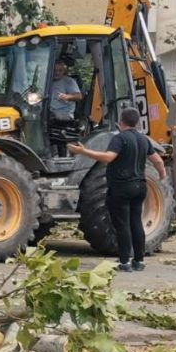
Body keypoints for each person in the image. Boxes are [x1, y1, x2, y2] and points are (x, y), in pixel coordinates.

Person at [68, 108, 168, 272]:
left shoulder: (120, 138)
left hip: (122, 187)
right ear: (136, 122)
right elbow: (157, 160)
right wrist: (162, 174)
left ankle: (124, 262)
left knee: (122, 225)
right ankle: (139, 260)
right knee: (136, 222)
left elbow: (108, 157)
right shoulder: (144, 139)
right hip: (140, 187)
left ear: (121, 122)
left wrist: (83, 151)